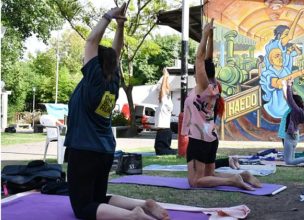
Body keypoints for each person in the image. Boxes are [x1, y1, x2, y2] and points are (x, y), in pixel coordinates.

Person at [64, 4, 169, 220]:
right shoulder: (112, 81)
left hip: (85, 149)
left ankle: (134, 216)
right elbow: (116, 50)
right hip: (104, 150)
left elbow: (91, 41)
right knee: (98, 199)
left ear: (95, 63)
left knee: (83, 208)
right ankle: (143, 205)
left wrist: (108, 17)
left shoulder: (93, 79)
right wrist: (120, 25)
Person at [181, 19, 261, 191]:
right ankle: (244, 175)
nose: (196, 70)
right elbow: (207, 58)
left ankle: (233, 181)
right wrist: (210, 35)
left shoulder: (203, 87)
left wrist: (204, 35)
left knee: (195, 181)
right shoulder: (214, 85)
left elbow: (200, 57)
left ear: (201, 72)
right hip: (210, 137)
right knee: (209, 176)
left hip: (199, 138)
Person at [260, 47, 304, 118]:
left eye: (281, 55)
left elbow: (291, 81)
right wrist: (302, 72)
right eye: (277, 56)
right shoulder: (267, 73)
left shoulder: (285, 69)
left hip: (290, 101)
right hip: (279, 107)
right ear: (271, 60)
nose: (280, 58)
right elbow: (278, 83)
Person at [282, 78, 304, 167]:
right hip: (295, 134)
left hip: (290, 135)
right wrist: (290, 85)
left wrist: (289, 86)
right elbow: (291, 99)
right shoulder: (302, 110)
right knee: (292, 159)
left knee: (288, 161)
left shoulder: (296, 110)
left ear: (295, 103)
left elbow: (290, 99)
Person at [154, 68, 176, 155]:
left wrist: (165, 76)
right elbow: (167, 89)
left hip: (163, 130)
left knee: (160, 151)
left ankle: (177, 152)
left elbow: (163, 89)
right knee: (164, 150)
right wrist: (167, 78)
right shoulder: (169, 101)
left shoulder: (163, 102)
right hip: (166, 131)